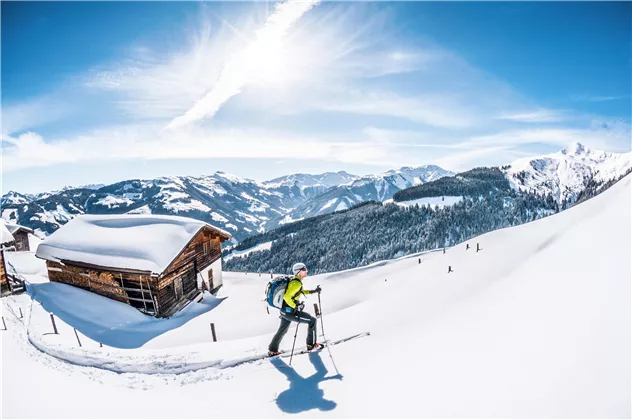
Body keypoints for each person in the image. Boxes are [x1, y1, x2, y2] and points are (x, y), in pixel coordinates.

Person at [268, 262, 323, 356]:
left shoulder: (295, 281)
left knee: (282, 330)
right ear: (298, 272)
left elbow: (299, 292)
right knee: (312, 321)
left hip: (284, 311)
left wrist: (313, 291)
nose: (306, 271)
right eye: (304, 270)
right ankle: (311, 345)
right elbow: (286, 297)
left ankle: (272, 350)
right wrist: (296, 306)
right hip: (290, 312)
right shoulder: (296, 283)